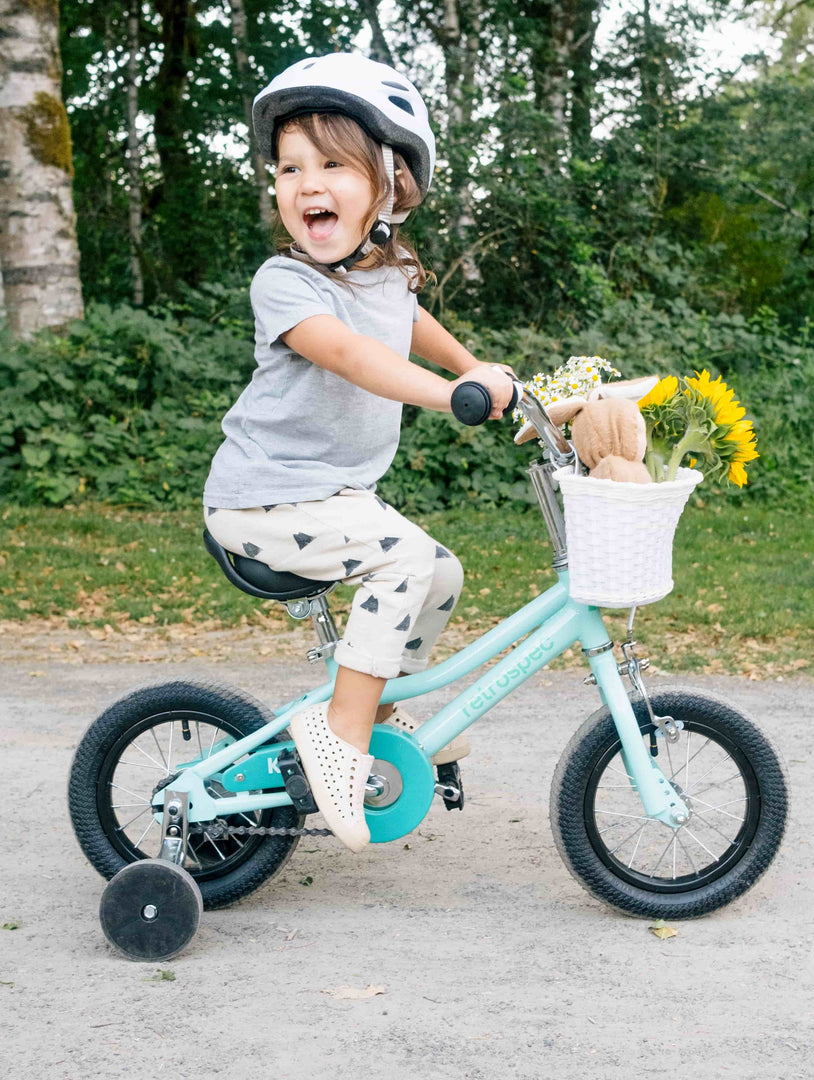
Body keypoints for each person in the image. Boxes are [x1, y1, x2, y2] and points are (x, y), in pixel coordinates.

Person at [203, 52, 514, 853]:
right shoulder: (286, 283)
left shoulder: (386, 273)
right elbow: (349, 355)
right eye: (290, 166)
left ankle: (378, 708)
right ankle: (339, 737)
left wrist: (473, 370)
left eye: (332, 164)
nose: (307, 182)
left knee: (439, 569)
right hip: (260, 502)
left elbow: (411, 326)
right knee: (405, 561)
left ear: (390, 186)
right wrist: (451, 397)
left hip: (333, 499)